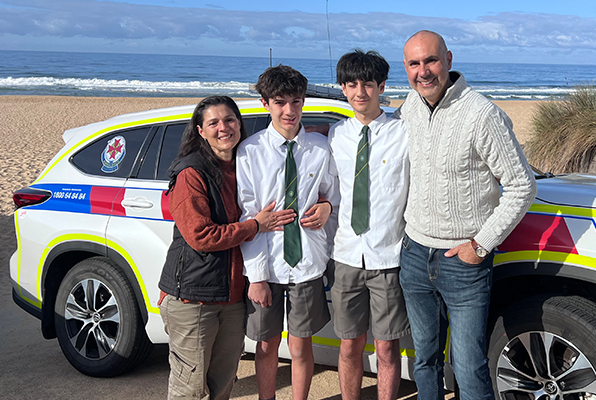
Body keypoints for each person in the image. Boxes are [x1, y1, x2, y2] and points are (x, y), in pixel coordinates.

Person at [395, 30, 537, 399]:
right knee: (424, 360)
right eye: (414, 63)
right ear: (406, 68)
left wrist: (481, 245)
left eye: (431, 60)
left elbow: (522, 186)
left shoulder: (482, 114)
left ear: (449, 60)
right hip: (413, 256)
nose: (423, 71)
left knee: (469, 366)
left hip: (464, 262)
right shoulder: (408, 107)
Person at [158, 95, 296, 400]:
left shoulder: (244, 165)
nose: (224, 128)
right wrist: (255, 226)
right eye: (214, 123)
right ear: (200, 131)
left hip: (232, 298)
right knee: (190, 389)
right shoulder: (191, 173)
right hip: (193, 298)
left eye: (230, 120)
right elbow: (201, 235)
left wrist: (316, 132)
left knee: (223, 384)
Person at [237, 65, 336, 400]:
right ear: (266, 103)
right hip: (267, 265)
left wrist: (328, 208)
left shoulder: (321, 148)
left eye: (296, 101)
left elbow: (330, 195)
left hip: (306, 263)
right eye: (280, 102)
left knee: (300, 344)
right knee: (266, 344)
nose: (289, 110)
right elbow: (248, 214)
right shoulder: (250, 152)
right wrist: (257, 276)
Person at [327, 49, 410, 400]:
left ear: (382, 86)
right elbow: (326, 190)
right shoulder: (334, 136)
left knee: (388, 348)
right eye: (351, 84)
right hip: (346, 254)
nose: (360, 91)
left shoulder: (403, 133)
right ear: (343, 89)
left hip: (388, 256)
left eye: (368, 83)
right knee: (348, 345)